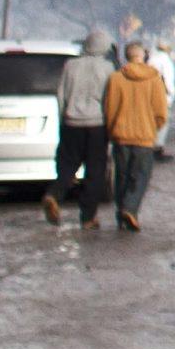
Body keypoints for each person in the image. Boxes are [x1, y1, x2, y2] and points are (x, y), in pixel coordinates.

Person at [100, 39, 172, 232]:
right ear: (143, 56)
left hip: (121, 135)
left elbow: (110, 108)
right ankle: (130, 209)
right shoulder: (154, 78)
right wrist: (153, 128)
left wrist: (112, 129)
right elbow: (161, 111)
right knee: (141, 175)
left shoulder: (116, 78)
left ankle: (121, 212)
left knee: (122, 176)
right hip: (145, 136)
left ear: (126, 56)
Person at [50, 31, 115, 227]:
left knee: (68, 163)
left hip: (71, 123)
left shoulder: (70, 66)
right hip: (97, 124)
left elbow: (60, 95)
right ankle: (88, 216)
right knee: (95, 170)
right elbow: (109, 99)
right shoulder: (108, 68)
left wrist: (63, 118)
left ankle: (54, 194)